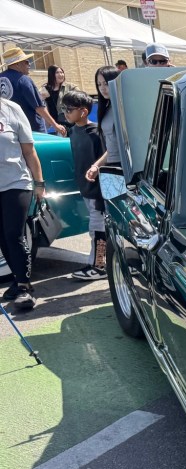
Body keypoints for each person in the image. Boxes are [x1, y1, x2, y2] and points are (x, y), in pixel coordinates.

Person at [0, 88, 46, 309]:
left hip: (16, 182)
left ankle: (24, 287)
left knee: (13, 233)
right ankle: (18, 280)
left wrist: (39, 183)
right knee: (2, 237)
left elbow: (29, 151)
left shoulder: (12, 109)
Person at [61, 90, 107, 280]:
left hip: (99, 191)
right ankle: (97, 263)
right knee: (97, 228)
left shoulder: (96, 133)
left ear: (84, 111)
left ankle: (99, 266)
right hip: (86, 189)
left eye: (69, 109)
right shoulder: (73, 131)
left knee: (97, 228)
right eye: (63, 108)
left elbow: (108, 159)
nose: (65, 113)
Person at [0, 47, 66, 136]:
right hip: (32, 129)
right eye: (26, 62)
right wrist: (56, 125)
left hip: (8, 129)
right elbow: (39, 107)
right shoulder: (23, 79)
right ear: (17, 64)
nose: (29, 64)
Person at [84, 67, 121, 185]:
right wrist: (96, 165)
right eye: (99, 84)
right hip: (112, 166)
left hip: (126, 167)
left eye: (106, 83)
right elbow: (112, 147)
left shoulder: (123, 107)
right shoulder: (107, 107)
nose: (102, 88)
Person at [41, 66, 77, 133]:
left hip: (69, 122)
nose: (61, 74)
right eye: (57, 72)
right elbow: (39, 105)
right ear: (51, 74)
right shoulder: (45, 89)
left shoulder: (71, 87)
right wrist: (42, 97)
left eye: (62, 72)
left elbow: (82, 100)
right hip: (53, 124)